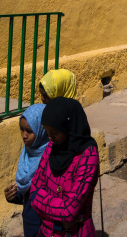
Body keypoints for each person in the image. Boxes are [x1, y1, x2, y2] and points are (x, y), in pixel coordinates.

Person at [31, 97, 99, 237]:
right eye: (47, 132)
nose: (50, 138)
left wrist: (42, 200)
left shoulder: (88, 155)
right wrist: (58, 221)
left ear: (69, 127)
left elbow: (69, 211)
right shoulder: (53, 146)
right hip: (46, 232)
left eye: (55, 133)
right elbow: (33, 191)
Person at [4, 104, 48, 237]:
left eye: (29, 131)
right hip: (30, 226)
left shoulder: (49, 158)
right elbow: (29, 195)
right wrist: (13, 196)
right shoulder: (27, 153)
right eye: (21, 129)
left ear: (42, 130)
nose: (24, 135)